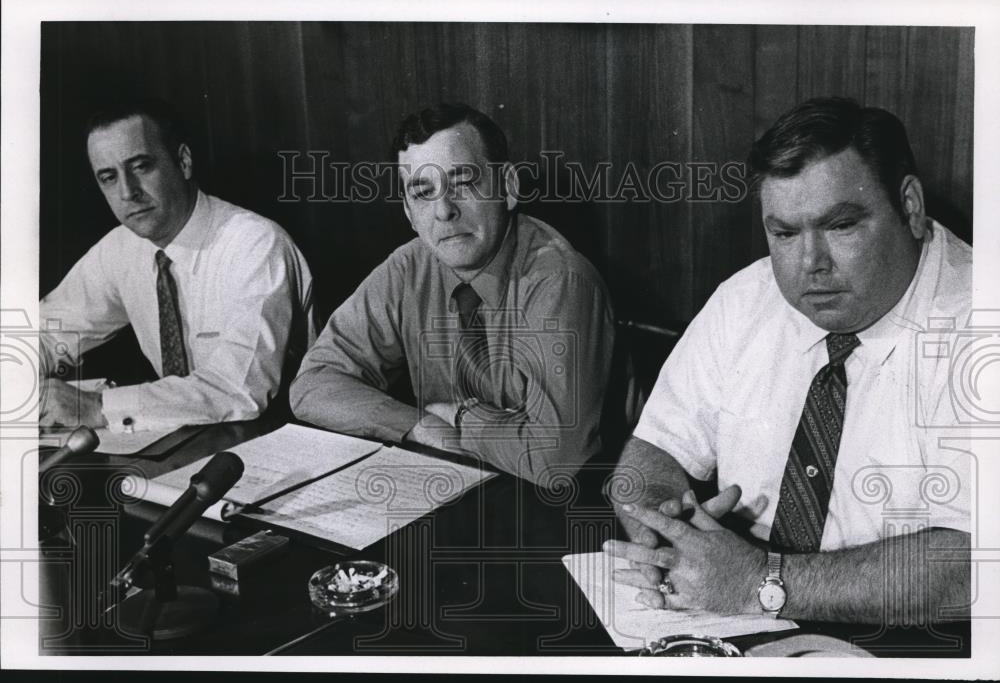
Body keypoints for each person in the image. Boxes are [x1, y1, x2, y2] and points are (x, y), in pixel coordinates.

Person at [604, 97, 971, 624]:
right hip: (738, 612)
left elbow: (976, 566)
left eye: (841, 226)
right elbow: (649, 456)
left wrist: (761, 581)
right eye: (784, 233)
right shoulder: (747, 297)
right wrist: (669, 537)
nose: (810, 264)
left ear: (909, 206)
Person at [290, 103, 615, 488]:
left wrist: (461, 418)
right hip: (454, 490)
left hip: (568, 513)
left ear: (508, 188)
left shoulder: (559, 281)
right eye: (423, 193)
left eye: (462, 183)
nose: (444, 211)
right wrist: (422, 424)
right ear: (409, 214)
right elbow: (313, 384)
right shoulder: (408, 268)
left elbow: (555, 461)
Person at [39, 97, 316, 432]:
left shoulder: (255, 243)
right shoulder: (120, 248)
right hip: (186, 440)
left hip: (282, 439)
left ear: (183, 162)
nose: (128, 192)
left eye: (140, 166)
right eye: (109, 177)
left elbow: (239, 389)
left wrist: (101, 406)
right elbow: (46, 330)